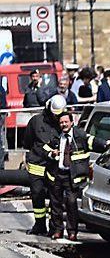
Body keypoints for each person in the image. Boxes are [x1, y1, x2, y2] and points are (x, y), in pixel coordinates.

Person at [44, 111, 110, 241]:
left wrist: (106, 144)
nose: (64, 125)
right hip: (57, 175)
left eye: (66, 122)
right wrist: (51, 154)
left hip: (72, 176)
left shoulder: (79, 135)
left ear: (71, 122)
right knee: (55, 204)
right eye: (61, 122)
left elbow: (92, 141)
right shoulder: (56, 136)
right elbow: (45, 149)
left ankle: (72, 232)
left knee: (71, 203)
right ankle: (57, 230)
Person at [24, 95, 64, 235]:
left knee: (55, 197)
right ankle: (40, 225)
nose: (56, 117)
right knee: (37, 195)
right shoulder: (36, 121)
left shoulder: (62, 122)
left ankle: (55, 228)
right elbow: (28, 141)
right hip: (37, 165)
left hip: (53, 166)